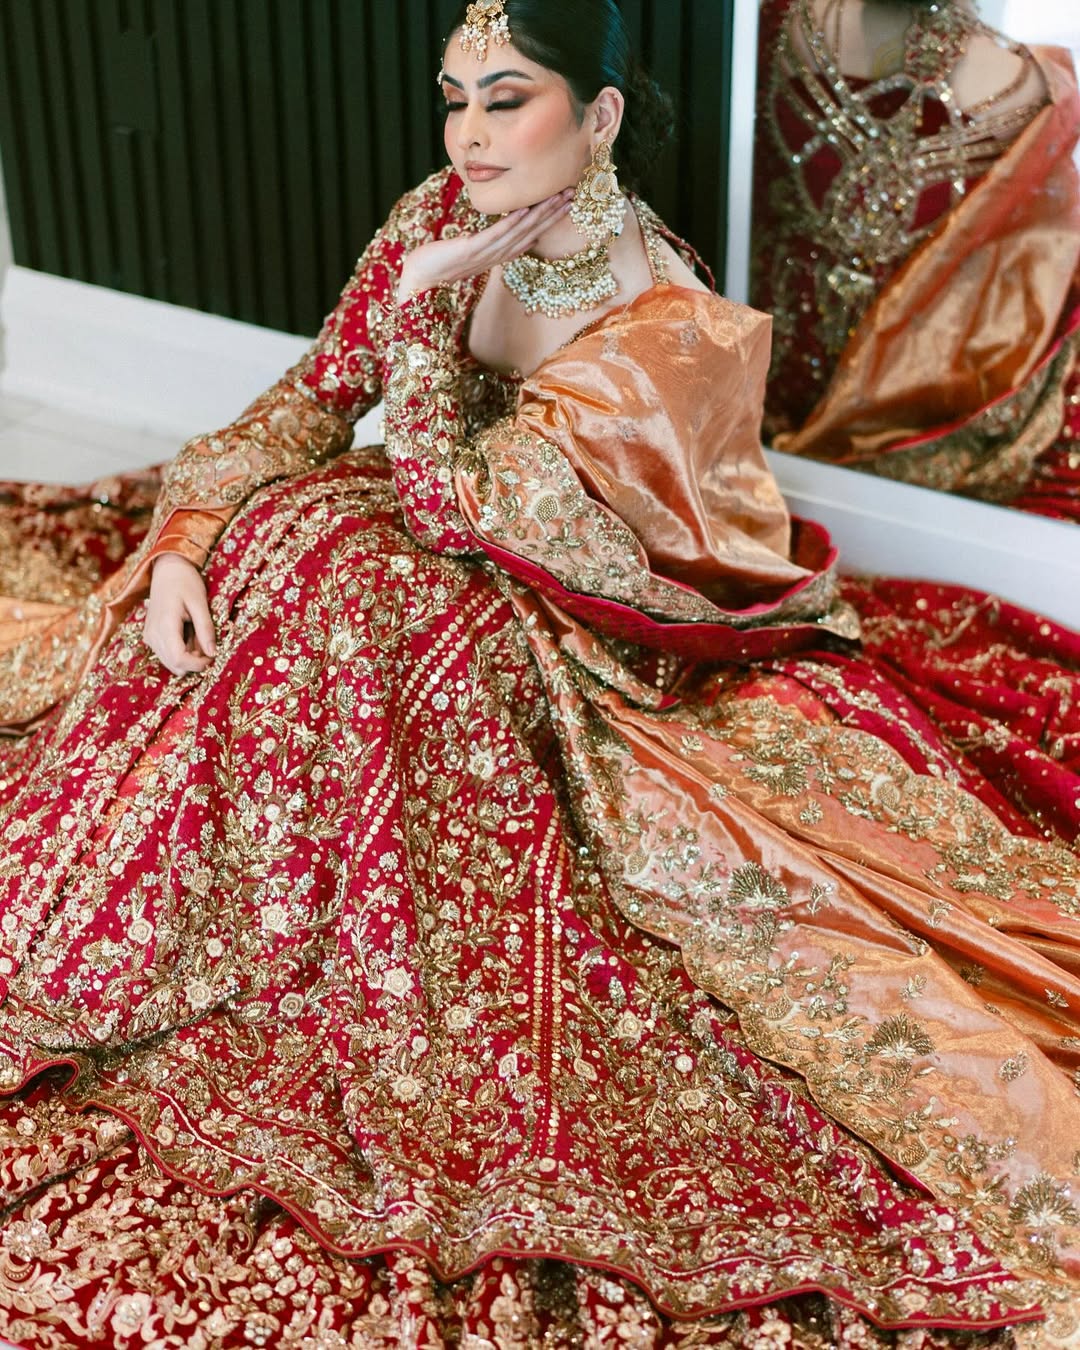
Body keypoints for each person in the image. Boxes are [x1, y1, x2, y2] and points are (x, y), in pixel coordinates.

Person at [0, 0, 1078, 1343]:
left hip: (561, 625)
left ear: (601, 114)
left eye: (506, 97)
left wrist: (420, 307)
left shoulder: (659, 316)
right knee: (299, 540)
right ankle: (154, 889)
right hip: (394, 565)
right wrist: (186, 542)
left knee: (357, 575)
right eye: (454, 97)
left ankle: (257, 912)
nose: (468, 132)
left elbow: (458, 509)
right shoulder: (443, 214)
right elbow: (309, 406)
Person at [752, 0, 1080, 518]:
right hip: (902, 430)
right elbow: (1024, 281)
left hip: (751, 395)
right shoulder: (1031, 90)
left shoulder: (772, 28)